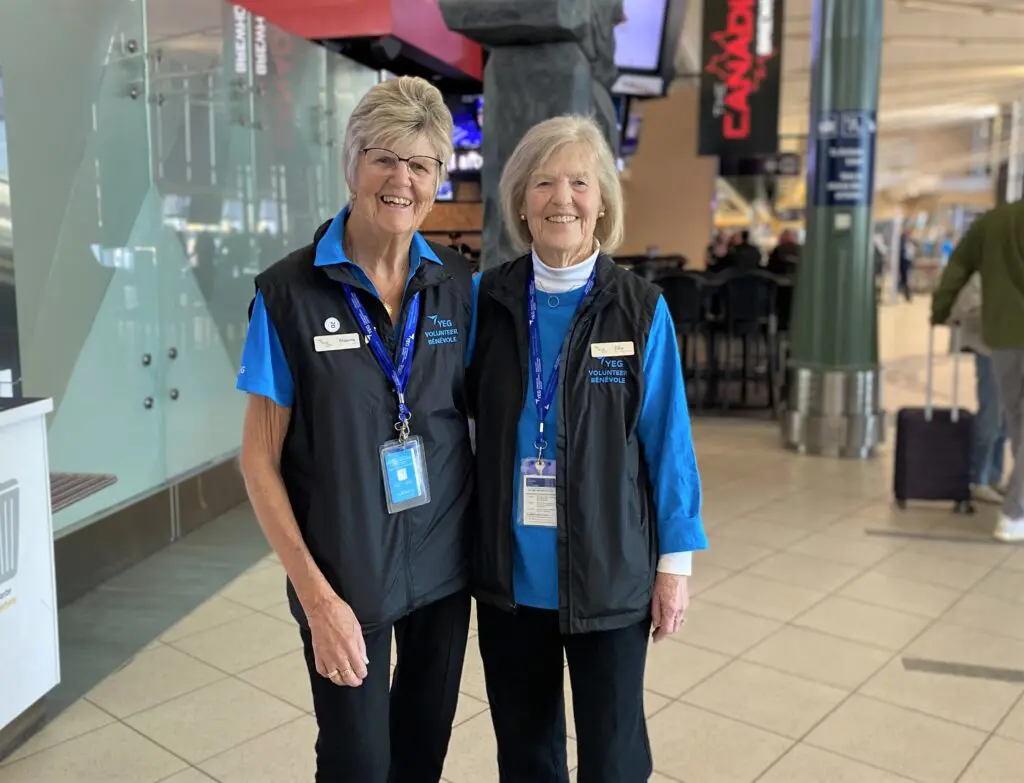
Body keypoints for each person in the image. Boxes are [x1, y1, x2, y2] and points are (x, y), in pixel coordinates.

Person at [236, 75, 474, 781]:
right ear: (352, 164)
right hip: (342, 579)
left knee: (420, 756)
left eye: (422, 163)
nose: (402, 179)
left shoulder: (458, 287)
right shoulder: (288, 295)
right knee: (358, 764)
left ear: (437, 179)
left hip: (440, 570)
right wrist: (317, 600)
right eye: (384, 157)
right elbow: (258, 461)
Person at [465, 115, 708, 782]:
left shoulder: (638, 309)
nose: (561, 198)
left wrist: (674, 566)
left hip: (611, 577)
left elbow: (668, 442)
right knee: (525, 753)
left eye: (579, 181)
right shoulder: (487, 300)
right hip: (511, 580)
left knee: (614, 753)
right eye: (544, 181)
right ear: (520, 199)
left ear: (602, 200)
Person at [932, 200, 1024, 543]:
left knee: (1011, 421)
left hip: (1002, 342)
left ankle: (1005, 487)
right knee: (1003, 419)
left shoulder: (995, 236)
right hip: (1000, 343)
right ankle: (1000, 498)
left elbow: (960, 272)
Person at [949, 273, 1007, 505]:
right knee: (991, 414)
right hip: (991, 352)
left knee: (1005, 420)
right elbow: (965, 311)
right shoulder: (983, 273)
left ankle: (994, 475)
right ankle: (979, 478)